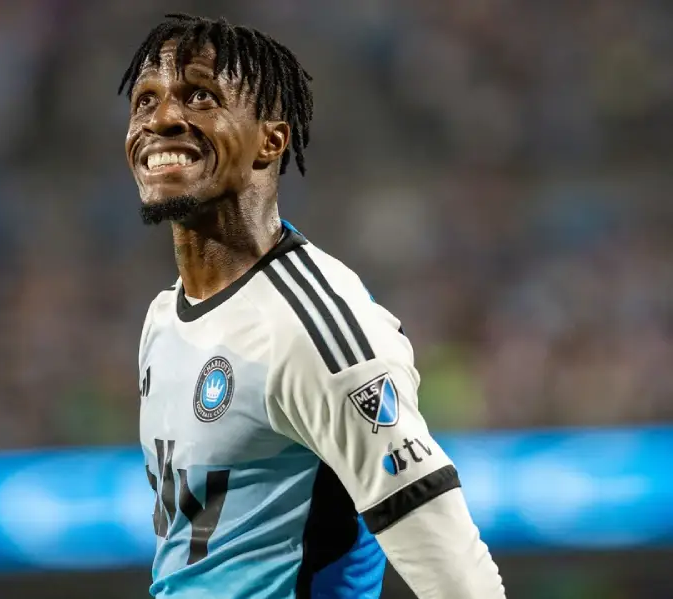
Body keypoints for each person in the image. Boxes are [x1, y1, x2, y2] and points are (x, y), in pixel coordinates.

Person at [120, 14, 505, 599]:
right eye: (146, 99)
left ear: (271, 140)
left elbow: (461, 581)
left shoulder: (317, 333)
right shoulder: (163, 318)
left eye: (199, 96)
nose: (162, 118)